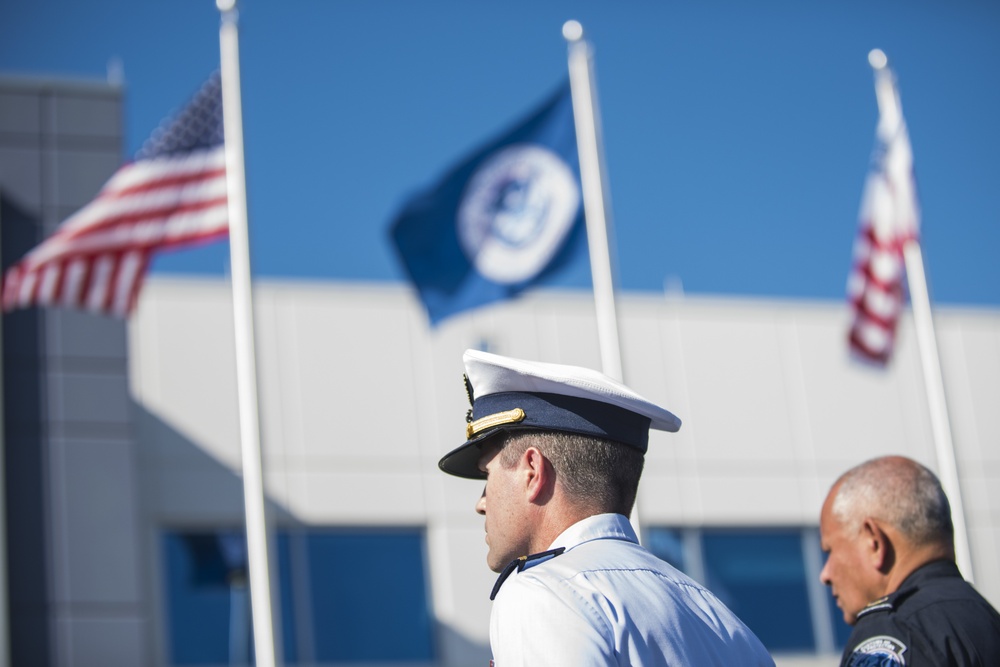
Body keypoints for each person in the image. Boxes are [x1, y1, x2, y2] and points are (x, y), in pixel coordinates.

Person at [438, 349, 774, 666]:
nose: (481, 503)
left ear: (532, 472)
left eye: (487, 475)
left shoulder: (544, 593)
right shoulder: (726, 625)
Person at [819, 455, 1000, 666]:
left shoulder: (892, 632)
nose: (825, 575)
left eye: (830, 550)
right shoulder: (988, 622)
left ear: (874, 541)